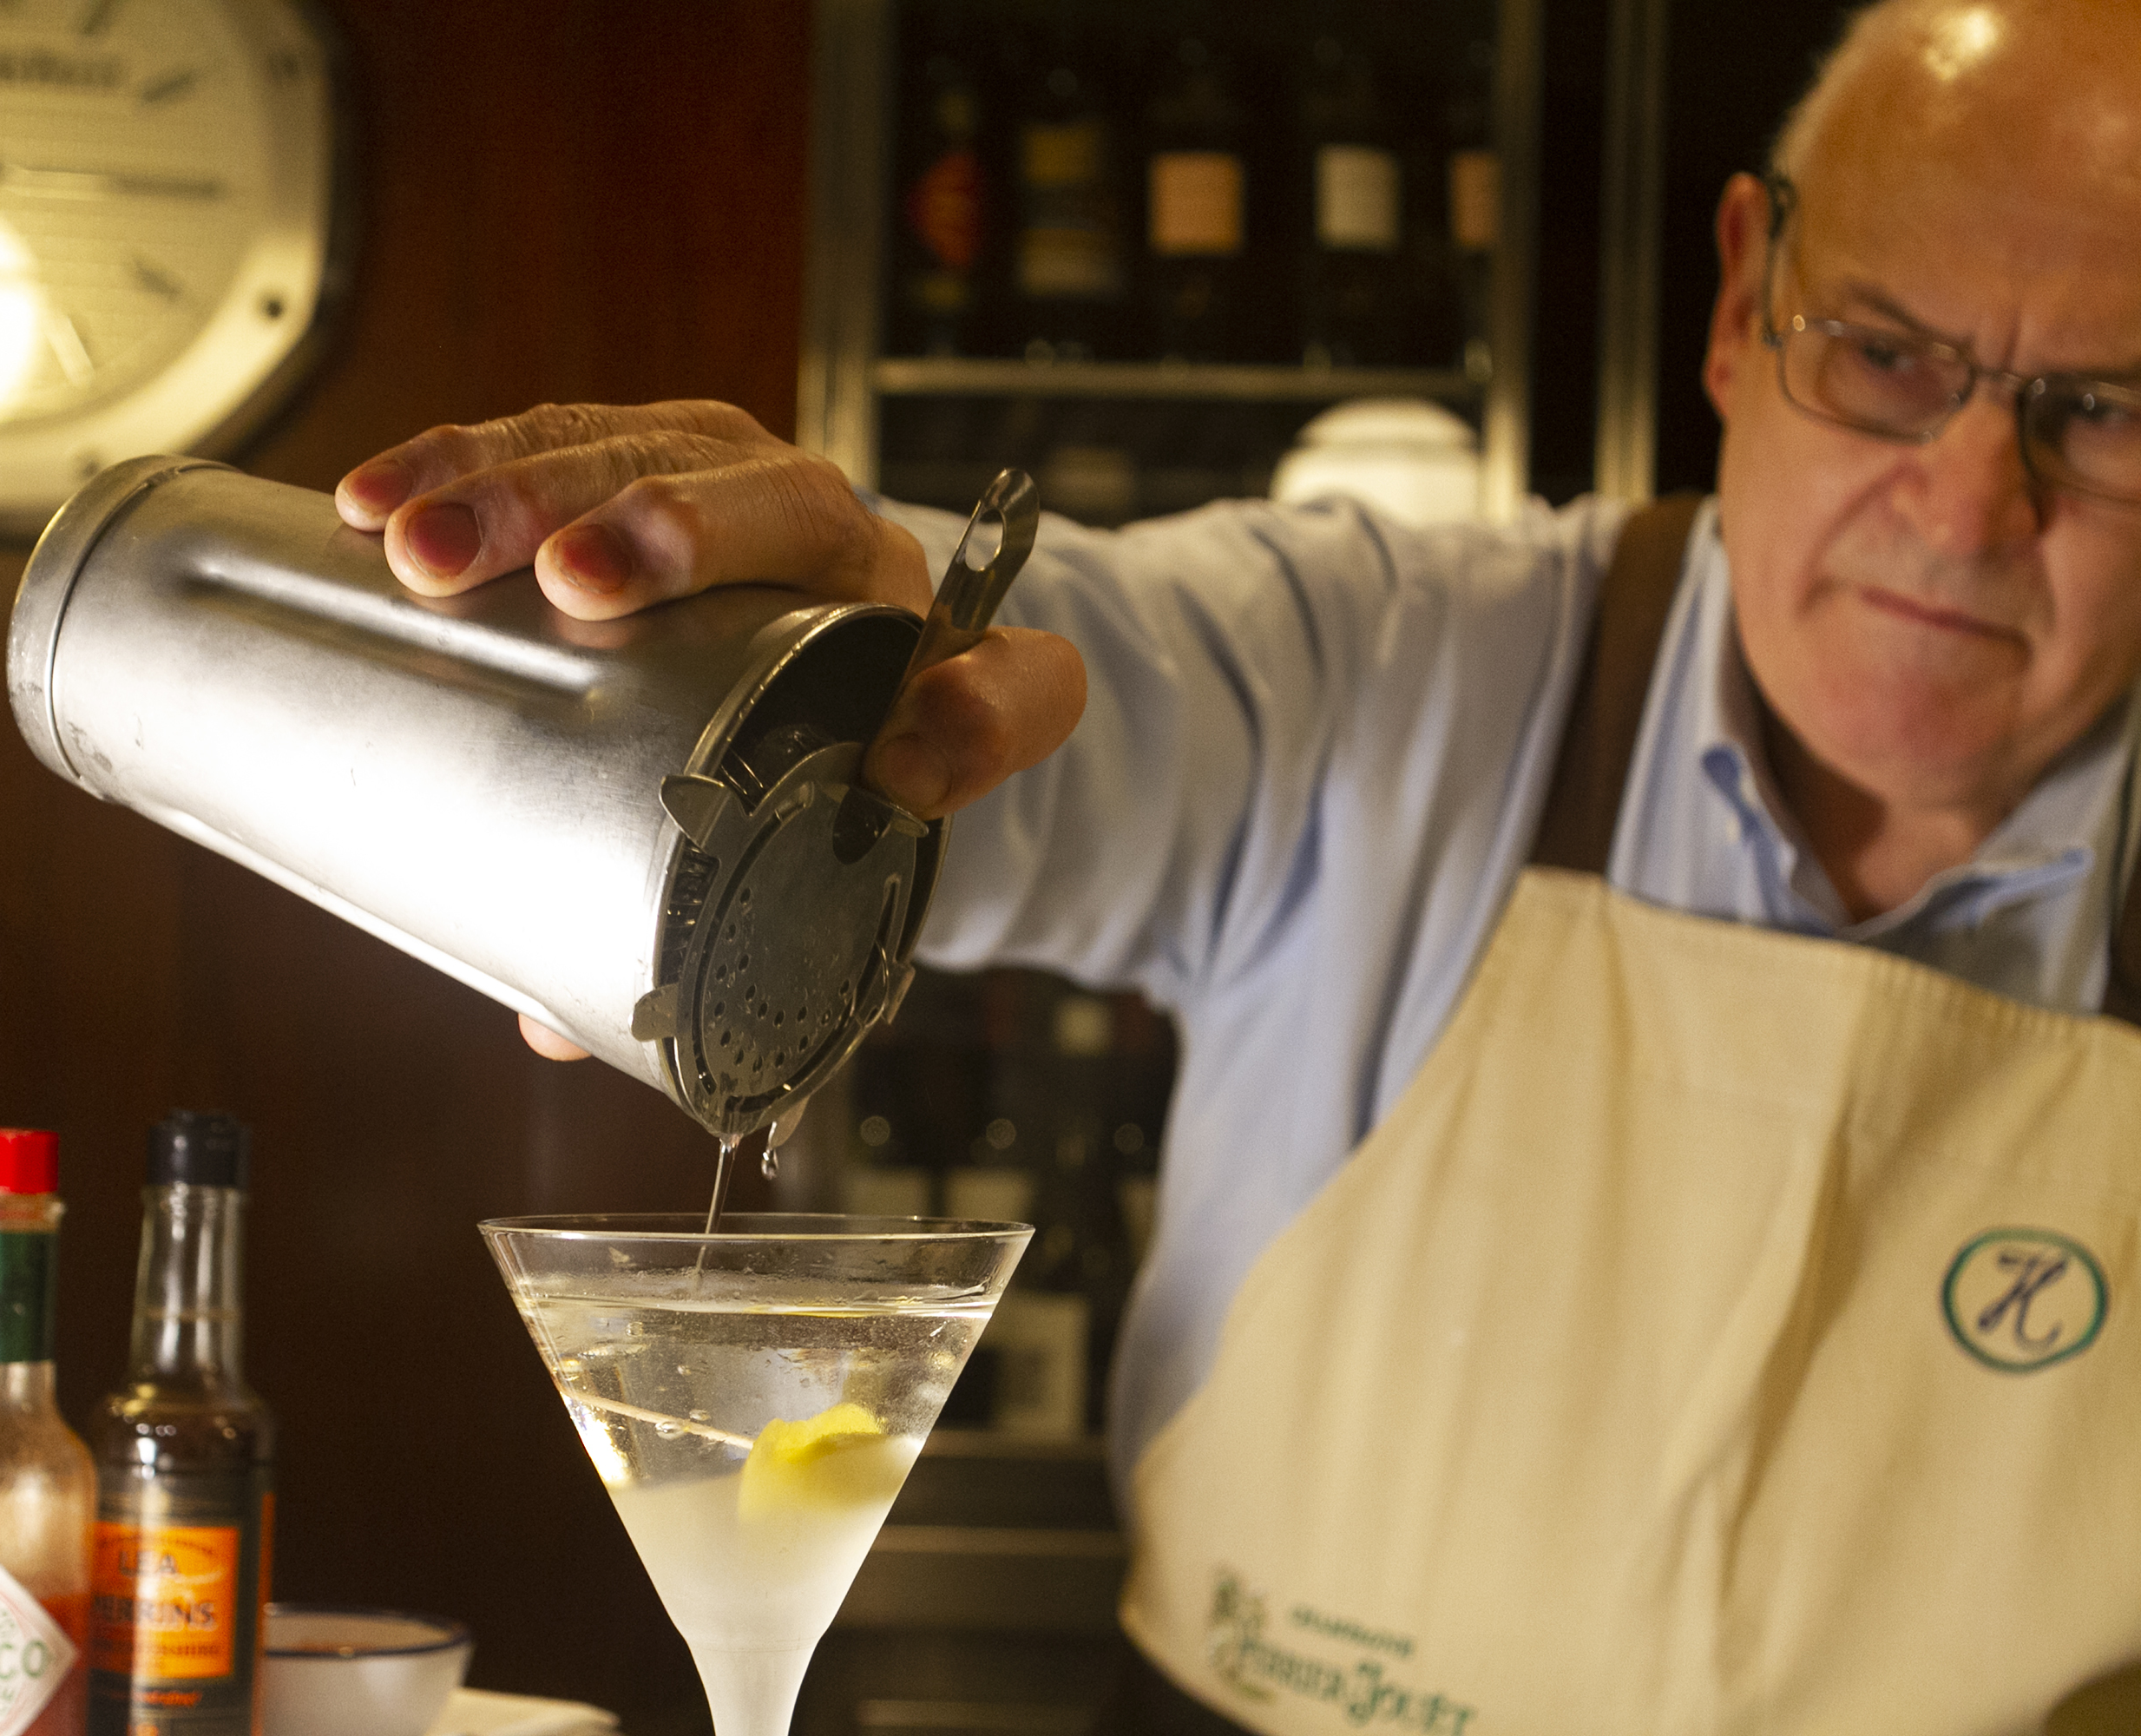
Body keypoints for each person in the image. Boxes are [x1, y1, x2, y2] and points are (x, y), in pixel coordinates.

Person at [337, 0, 2141, 1726]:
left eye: (2108, 409)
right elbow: (1034, 713)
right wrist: (792, 669)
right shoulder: (1383, 663)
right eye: (1888, 355)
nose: (1971, 505)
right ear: (1746, 303)